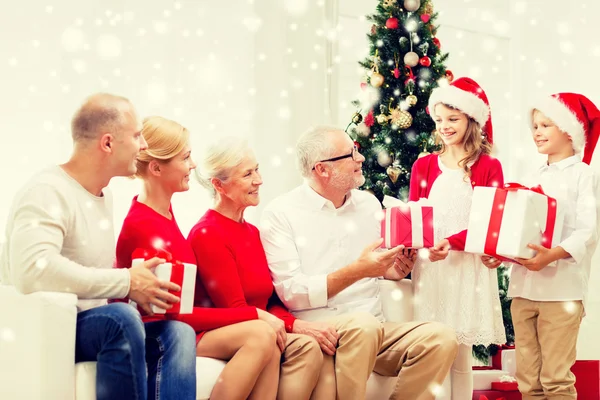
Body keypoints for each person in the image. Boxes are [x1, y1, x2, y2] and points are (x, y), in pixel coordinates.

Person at [0, 94, 197, 400]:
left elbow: (96, 278)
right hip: (52, 328)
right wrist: (126, 282)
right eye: (136, 136)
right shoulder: (46, 191)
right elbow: (32, 270)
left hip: (92, 322)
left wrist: (139, 289)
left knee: (178, 334)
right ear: (107, 144)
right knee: (120, 319)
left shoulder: (104, 197)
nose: (144, 145)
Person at [260, 126, 459, 400]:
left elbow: (380, 268)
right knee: (363, 326)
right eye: (350, 154)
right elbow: (292, 293)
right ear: (322, 169)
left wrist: (396, 268)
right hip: (325, 329)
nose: (361, 159)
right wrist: (358, 271)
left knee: (442, 337)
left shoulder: (368, 204)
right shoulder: (280, 214)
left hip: (376, 330)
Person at [189, 137, 336, 400]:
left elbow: (270, 301)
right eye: (248, 174)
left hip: (259, 327)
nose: (259, 180)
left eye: (257, 169)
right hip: (223, 331)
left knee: (309, 347)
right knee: (274, 337)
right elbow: (235, 309)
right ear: (218, 185)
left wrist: (293, 324)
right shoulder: (207, 233)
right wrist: (279, 323)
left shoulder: (252, 232)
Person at [409, 77, 507, 399]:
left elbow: (488, 220)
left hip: (466, 269)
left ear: (472, 120)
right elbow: (415, 218)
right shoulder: (423, 165)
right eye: (439, 120)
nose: (444, 126)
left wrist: (452, 243)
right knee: (432, 350)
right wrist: (425, 248)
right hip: (432, 269)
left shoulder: (488, 166)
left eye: (453, 119)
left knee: (460, 356)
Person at [506, 93, 599, 398]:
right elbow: (516, 228)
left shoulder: (584, 177)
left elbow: (587, 230)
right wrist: (500, 252)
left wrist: (552, 255)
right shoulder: (529, 177)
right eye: (534, 126)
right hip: (523, 290)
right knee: (528, 382)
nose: (537, 131)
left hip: (562, 293)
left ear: (570, 131)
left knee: (556, 379)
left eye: (546, 124)